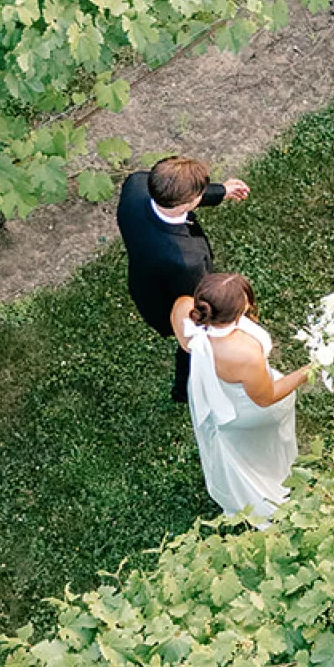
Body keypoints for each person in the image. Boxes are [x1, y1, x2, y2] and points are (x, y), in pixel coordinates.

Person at [171, 273, 313, 527]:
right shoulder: (243, 353)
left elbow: (181, 309)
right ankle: (267, 489)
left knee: (238, 452)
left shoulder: (183, 311)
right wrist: (310, 369)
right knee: (261, 451)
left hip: (215, 396)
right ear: (239, 311)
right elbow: (266, 397)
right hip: (246, 411)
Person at [116, 156, 251, 403]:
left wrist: (222, 191)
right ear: (186, 204)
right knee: (191, 343)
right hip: (166, 302)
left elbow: (180, 192)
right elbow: (200, 302)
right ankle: (184, 390)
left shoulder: (135, 186)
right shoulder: (185, 260)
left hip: (142, 277)